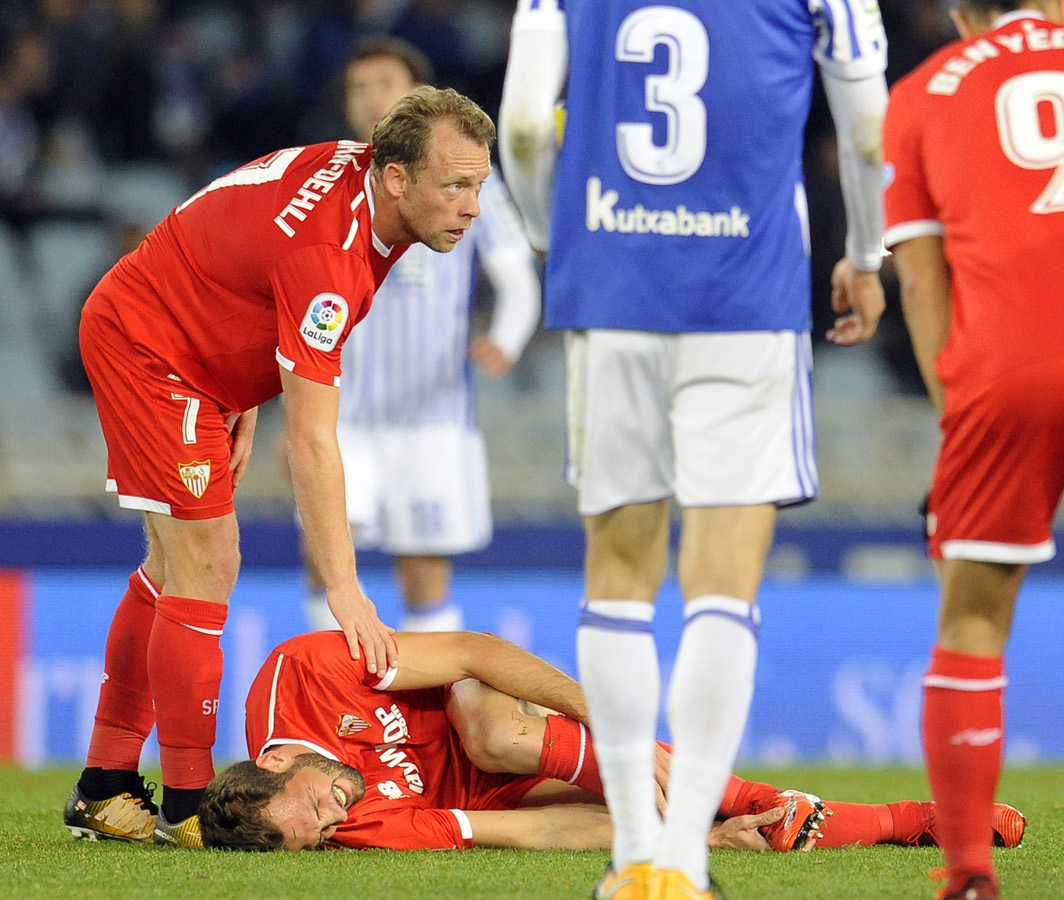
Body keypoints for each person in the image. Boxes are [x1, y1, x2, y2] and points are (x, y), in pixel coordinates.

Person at [498, 2, 889, 897]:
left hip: (612, 289)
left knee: (620, 578)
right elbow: (866, 127)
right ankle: (683, 857)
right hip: (744, 299)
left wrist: (554, 236)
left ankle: (632, 852)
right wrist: (865, 252)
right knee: (724, 583)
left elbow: (523, 124)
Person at [63, 86, 497, 848]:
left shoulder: (353, 174)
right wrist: (345, 588)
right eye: (455, 186)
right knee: (210, 558)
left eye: (479, 186)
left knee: (171, 568)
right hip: (155, 353)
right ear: (397, 178)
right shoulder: (329, 257)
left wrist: (244, 392)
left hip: (182, 345)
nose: (472, 207)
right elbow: (315, 444)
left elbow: (236, 249)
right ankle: (187, 805)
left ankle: (105, 783)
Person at [198, 631, 1026, 855]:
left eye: (318, 804)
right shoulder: (363, 829)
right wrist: (700, 838)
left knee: (491, 736)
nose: (341, 814)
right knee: (733, 823)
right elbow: (530, 831)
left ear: (277, 761)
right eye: (325, 835)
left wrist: (600, 714)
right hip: (497, 792)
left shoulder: (297, 673)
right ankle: (913, 820)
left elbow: (475, 653)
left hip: (470, 708)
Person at [884, 3, 1064, 898]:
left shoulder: (920, 94)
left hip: (1010, 367)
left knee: (972, 625)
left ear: (961, 12)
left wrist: (958, 409)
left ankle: (967, 874)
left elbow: (921, 274)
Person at [297, 38, 539, 635]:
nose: (371, 98)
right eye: (358, 88)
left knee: (424, 572)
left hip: (433, 419)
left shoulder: (468, 179)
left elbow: (518, 278)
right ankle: (328, 712)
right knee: (325, 563)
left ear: (420, 96)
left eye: (384, 83)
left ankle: (426, 722)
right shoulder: (323, 180)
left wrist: (504, 339)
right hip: (341, 416)